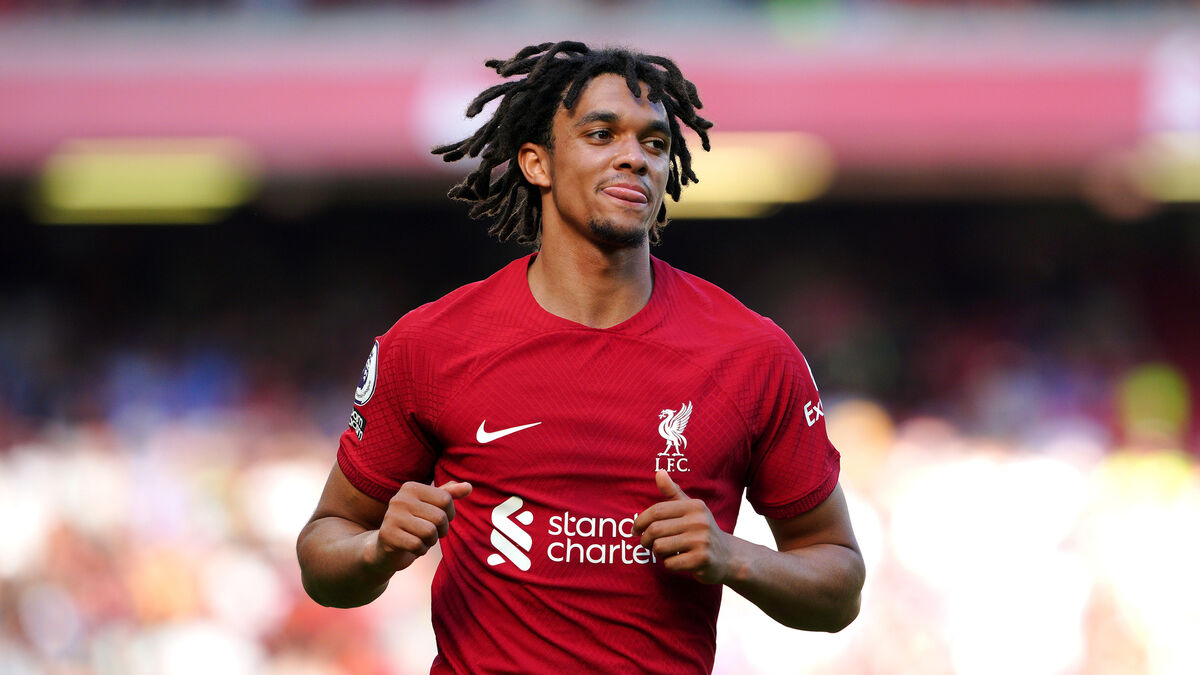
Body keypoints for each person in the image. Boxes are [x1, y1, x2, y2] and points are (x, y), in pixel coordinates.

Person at [296, 41, 864, 674]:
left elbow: (839, 587)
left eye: (655, 143)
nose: (635, 157)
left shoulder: (752, 354)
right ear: (536, 163)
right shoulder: (429, 344)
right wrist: (376, 551)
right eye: (601, 134)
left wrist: (735, 557)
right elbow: (323, 556)